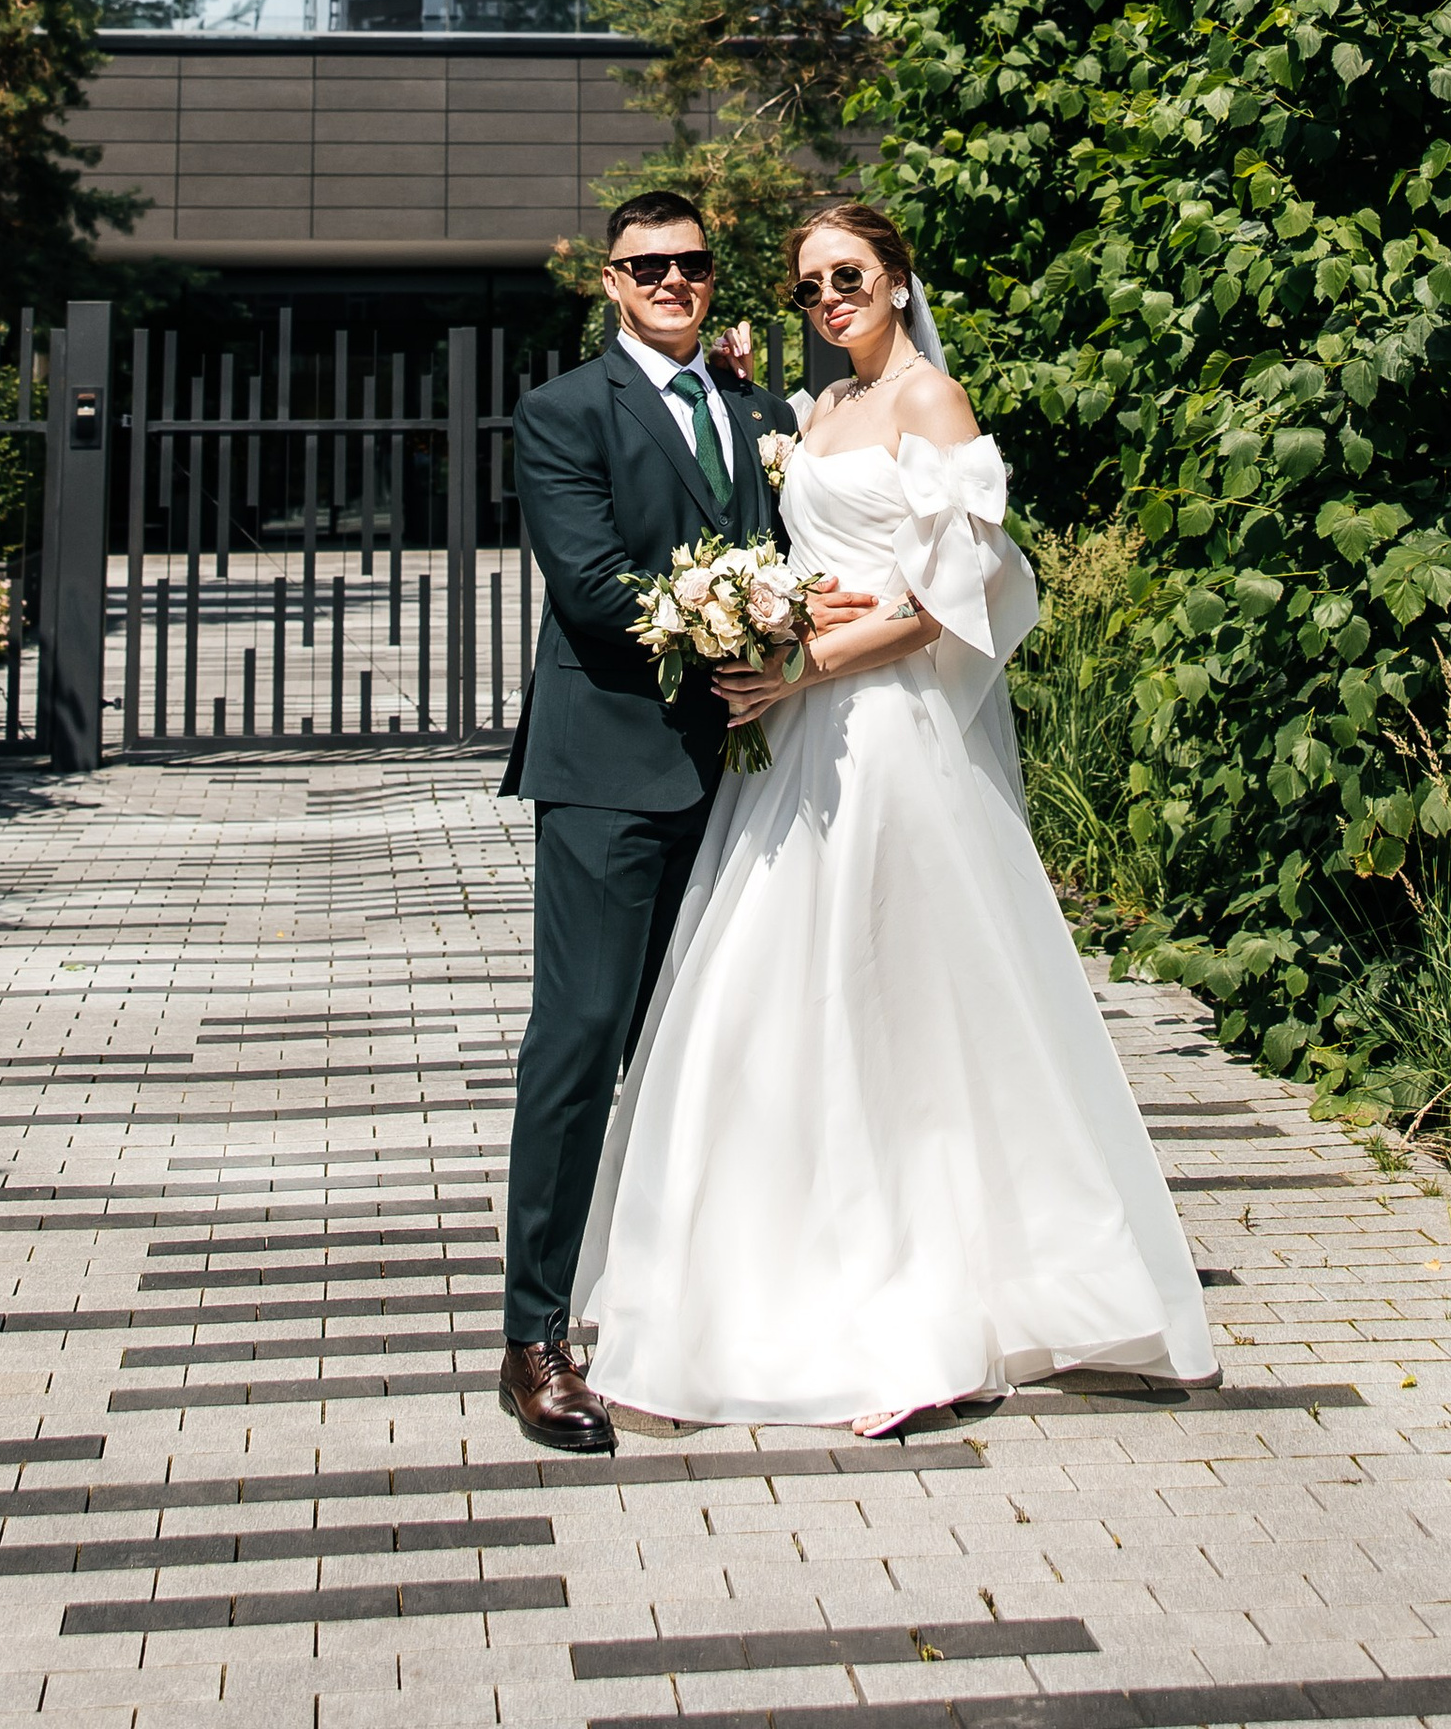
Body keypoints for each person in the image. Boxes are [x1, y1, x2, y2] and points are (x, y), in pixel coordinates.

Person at [572, 197, 1217, 1438]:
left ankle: (923, 1310)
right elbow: (793, 549)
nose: (830, 300)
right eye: (811, 284)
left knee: (895, 1011)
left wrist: (808, 664)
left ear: (898, 277)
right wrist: (770, 613)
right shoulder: (813, 413)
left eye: (848, 275)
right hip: (797, 746)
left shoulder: (931, 401)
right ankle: (765, 1276)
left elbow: (946, 599)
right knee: (772, 1010)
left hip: (887, 747)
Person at [497, 185, 860, 1454]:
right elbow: (595, 594)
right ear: (608, 280)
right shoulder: (558, 415)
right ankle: (533, 1334)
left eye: (694, 263)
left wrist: (800, 634)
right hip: (610, 771)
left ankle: (701, 1303)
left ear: (715, 279)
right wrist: (743, 619)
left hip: (757, 771)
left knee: (724, 1044)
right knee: (583, 1038)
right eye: (647, 264)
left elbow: (808, 546)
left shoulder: (760, 411)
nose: (672, 281)